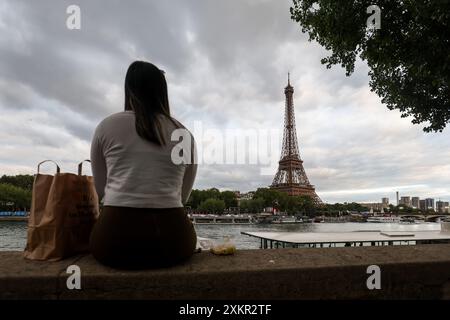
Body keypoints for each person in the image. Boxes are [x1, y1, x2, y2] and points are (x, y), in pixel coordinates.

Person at [89, 61, 197, 269]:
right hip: (174, 243)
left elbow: (102, 191)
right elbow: (181, 197)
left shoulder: (106, 126)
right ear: (162, 92)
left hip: (113, 242)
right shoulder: (183, 134)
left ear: (128, 89)